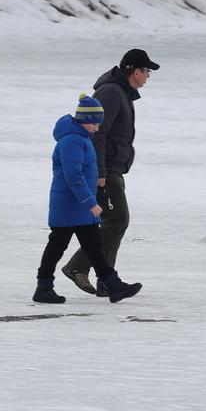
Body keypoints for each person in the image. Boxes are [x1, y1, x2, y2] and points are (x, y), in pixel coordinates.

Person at [61, 47, 160, 296]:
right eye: (147, 71)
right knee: (117, 220)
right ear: (135, 71)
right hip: (105, 169)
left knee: (114, 221)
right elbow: (97, 133)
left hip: (113, 167)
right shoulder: (113, 93)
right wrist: (100, 172)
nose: (148, 76)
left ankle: (106, 280)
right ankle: (77, 266)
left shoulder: (121, 92)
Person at [35, 95, 141, 305]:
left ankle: (113, 285)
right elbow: (73, 177)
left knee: (94, 246)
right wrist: (90, 203)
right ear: (84, 120)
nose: (98, 127)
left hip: (78, 205)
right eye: (95, 123)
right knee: (57, 246)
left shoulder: (82, 138)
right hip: (68, 205)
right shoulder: (72, 141)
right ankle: (43, 287)